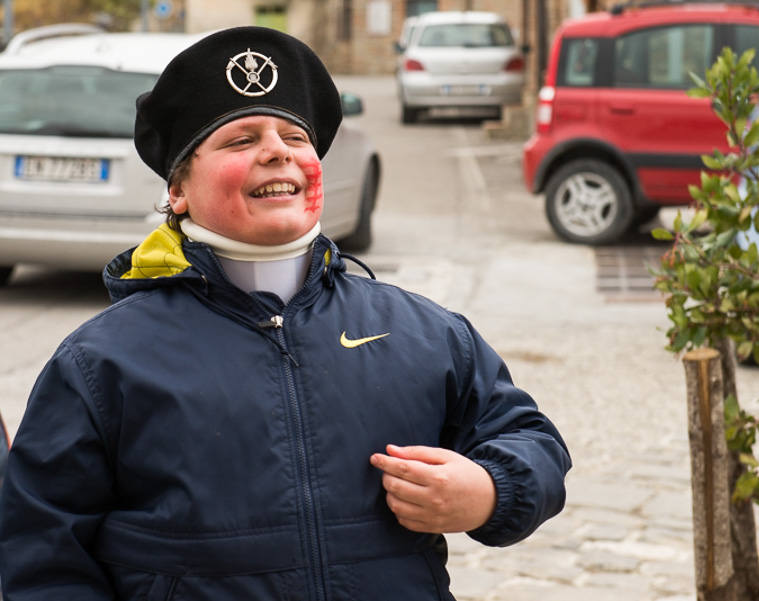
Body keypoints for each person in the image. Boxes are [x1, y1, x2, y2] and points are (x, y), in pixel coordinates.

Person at [0, 26, 571, 600]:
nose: (277, 151)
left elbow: (529, 438)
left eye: (295, 136)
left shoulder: (420, 332)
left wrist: (492, 489)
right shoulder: (101, 362)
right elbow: (41, 553)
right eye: (239, 140)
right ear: (178, 190)